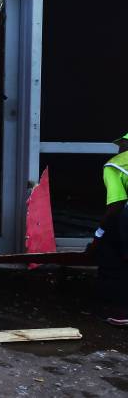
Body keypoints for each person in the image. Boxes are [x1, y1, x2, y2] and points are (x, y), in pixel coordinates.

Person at [86, 132, 128, 326]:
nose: (119, 149)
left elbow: (116, 205)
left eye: (121, 145)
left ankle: (120, 312)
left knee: (114, 259)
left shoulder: (114, 165)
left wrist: (98, 235)